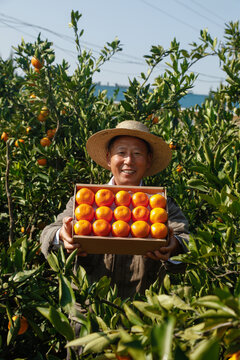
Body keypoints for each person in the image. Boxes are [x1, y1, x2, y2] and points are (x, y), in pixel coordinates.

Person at [40, 120, 189, 299]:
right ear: (108, 158)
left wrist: (175, 247)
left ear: (148, 160)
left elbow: (187, 241)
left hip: (142, 313)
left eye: (137, 153)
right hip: (90, 312)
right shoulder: (85, 200)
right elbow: (48, 234)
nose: (129, 160)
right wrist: (62, 236)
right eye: (121, 153)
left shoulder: (162, 205)